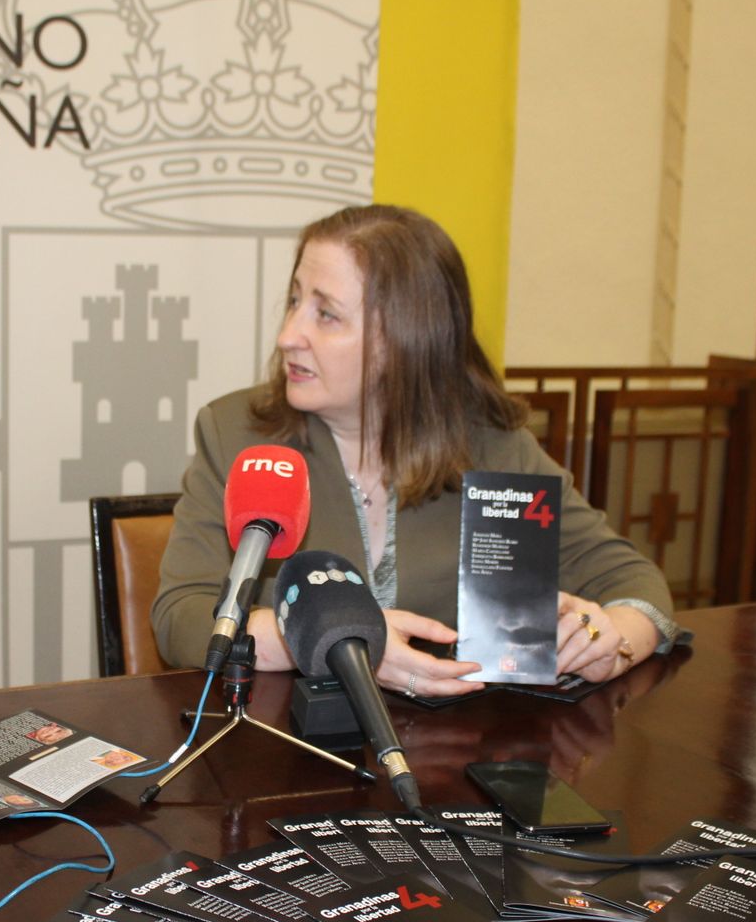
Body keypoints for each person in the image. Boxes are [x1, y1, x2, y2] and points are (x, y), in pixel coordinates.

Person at [151, 204, 678, 697]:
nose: (289, 334)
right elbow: (181, 618)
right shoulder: (236, 435)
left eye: (326, 313)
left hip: (455, 742)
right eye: (294, 301)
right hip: (288, 742)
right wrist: (338, 639)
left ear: (407, 338)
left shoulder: (492, 444)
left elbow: (631, 581)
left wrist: (611, 643)